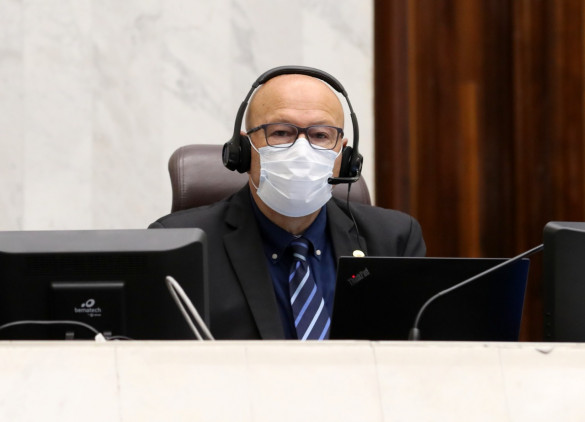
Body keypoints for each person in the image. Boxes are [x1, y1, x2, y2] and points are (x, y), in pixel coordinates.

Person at [150, 67, 426, 340]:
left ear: (344, 156)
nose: (301, 151)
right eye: (281, 133)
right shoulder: (178, 246)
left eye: (320, 135)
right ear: (243, 150)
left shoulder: (394, 240)